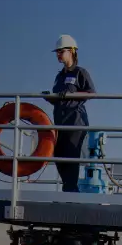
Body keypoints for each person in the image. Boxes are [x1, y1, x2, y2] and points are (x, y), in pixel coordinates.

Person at [46, 34, 96, 192]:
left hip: (76, 121)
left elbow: (91, 93)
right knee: (58, 154)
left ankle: (70, 190)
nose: (58, 54)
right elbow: (58, 98)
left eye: (61, 51)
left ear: (72, 51)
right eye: (57, 52)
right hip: (60, 121)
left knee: (71, 155)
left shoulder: (80, 73)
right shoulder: (59, 76)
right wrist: (50, 97)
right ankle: (69, 188)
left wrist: (71, 96)